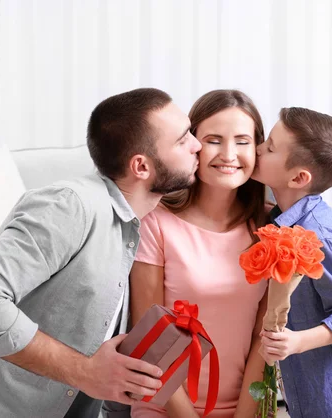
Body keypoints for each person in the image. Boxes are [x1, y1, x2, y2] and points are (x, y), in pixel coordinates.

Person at [0, 88, 202, 418]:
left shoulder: (135, 229)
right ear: (141, 166)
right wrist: (85, 372)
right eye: (183, 140)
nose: (196, 145)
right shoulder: (70, 205)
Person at [128, 90, 269, 418]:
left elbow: (264, 339)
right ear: (192, 144)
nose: (229, 154)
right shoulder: (156, 221)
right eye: (214, 140)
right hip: (164, 405)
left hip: (244, 407)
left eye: (243, 141)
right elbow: (149, 340)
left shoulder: (270, 226)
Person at [253, 107, 332, 418]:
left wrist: (296, 341)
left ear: (299, 177)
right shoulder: (283, 218)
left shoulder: (320, 233)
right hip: (308, 385)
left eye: (269, 146)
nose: (256, 148)